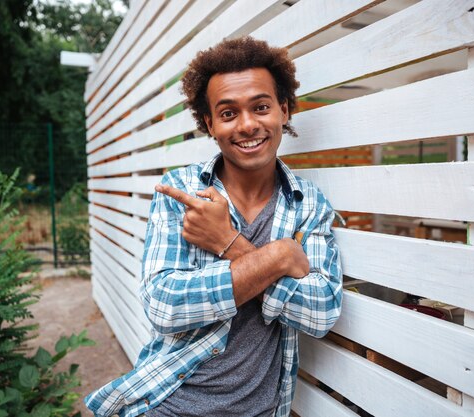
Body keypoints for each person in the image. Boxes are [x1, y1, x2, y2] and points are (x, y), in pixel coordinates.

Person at [85, 36, 342, 417]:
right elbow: (163, 304)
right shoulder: (183, 193)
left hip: (262, 409)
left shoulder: (309, 205)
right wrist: (278, 258)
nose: (248, 125)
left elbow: (321, 312)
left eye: (261, 107)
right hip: (169, 403)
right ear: (209, 123)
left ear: (284, 111)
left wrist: (228, 242)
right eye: (228, 113)